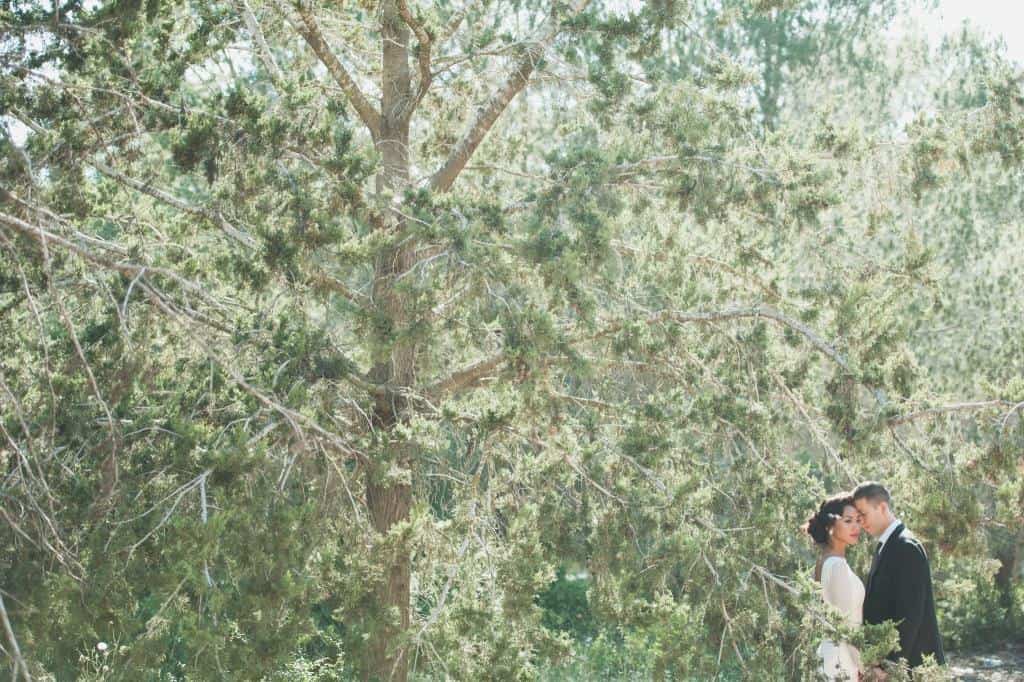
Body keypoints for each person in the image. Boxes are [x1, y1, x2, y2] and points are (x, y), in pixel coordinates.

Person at [853, 481, 945, 677]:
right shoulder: (885, 546)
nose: (860, 522)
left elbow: (909, 615)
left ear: (882, 507)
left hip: (912, 666)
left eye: (863, 514)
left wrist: (891, 667)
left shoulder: (906, 546)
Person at [805, 492, 864, 681]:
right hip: (841, 662)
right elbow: (846, 627)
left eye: (858, 520)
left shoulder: (825, 561)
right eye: (848, 521)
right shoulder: (836, 566)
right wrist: (864, 666)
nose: (855, 527)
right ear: (830, 525)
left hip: (832, 657)